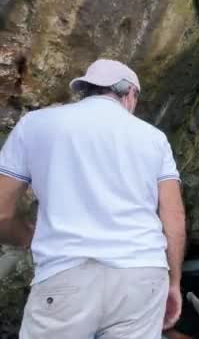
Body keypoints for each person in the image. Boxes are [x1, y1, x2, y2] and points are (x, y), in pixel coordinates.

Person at [0, 59, 186, 338]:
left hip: (66, 276)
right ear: (130, 94)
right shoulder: (154, 138)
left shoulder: (35, 125)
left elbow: (2, 212)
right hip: (141, 278)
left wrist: (27, 236)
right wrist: (174, 282)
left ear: (86, 90)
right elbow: (174, 218)